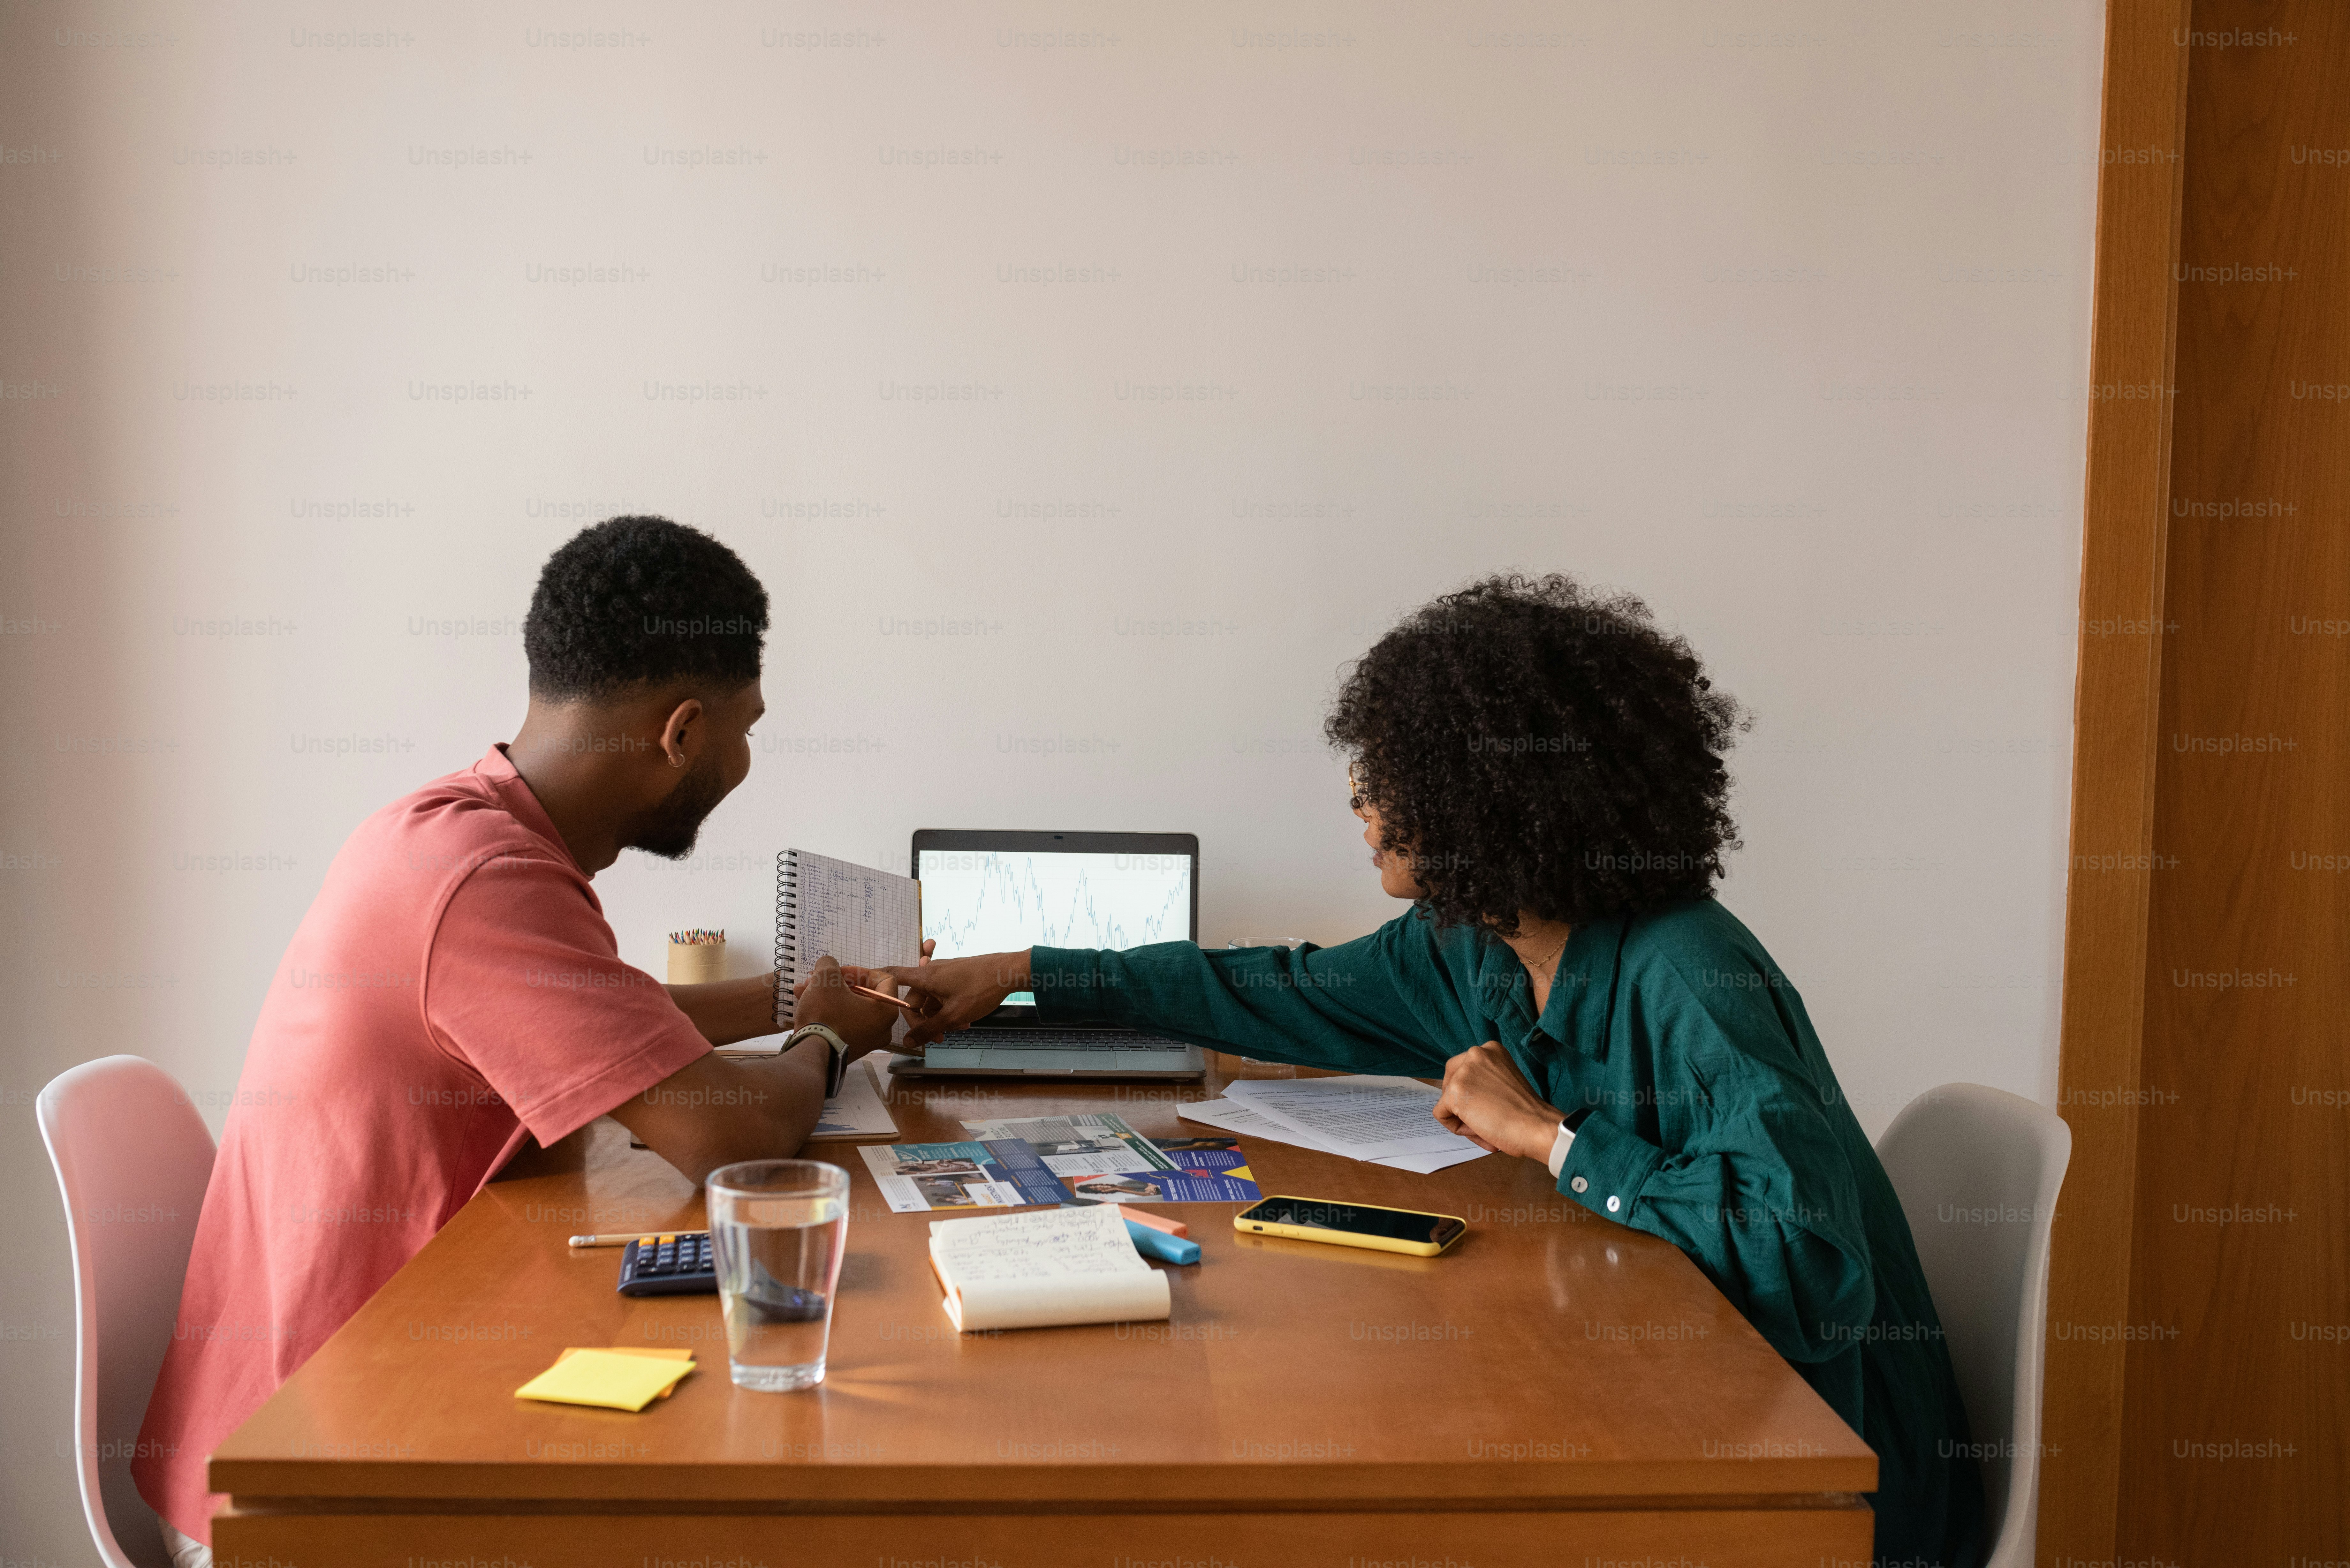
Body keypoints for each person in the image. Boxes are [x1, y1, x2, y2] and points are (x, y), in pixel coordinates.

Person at [878, 573, 1988, 1568]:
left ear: (1490, 794)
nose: (1361, 803)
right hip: (1670, 1387)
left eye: (1389, 775)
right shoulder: (1473, 944)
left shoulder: (1689, 973)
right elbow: (1266, 989)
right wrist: (1025, 970)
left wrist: (1549, 1139)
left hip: (1828, 1474)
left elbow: (1811, 1262)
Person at [134, 517, 908, 1567]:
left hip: (345, 1399)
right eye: (746, 728)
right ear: (683, 734)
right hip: (302, 1484)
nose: (746, 758)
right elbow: (728, 1136)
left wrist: (796, 997)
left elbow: (614, 1019)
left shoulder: (456, 831)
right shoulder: (488, 884)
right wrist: (829, 1033)